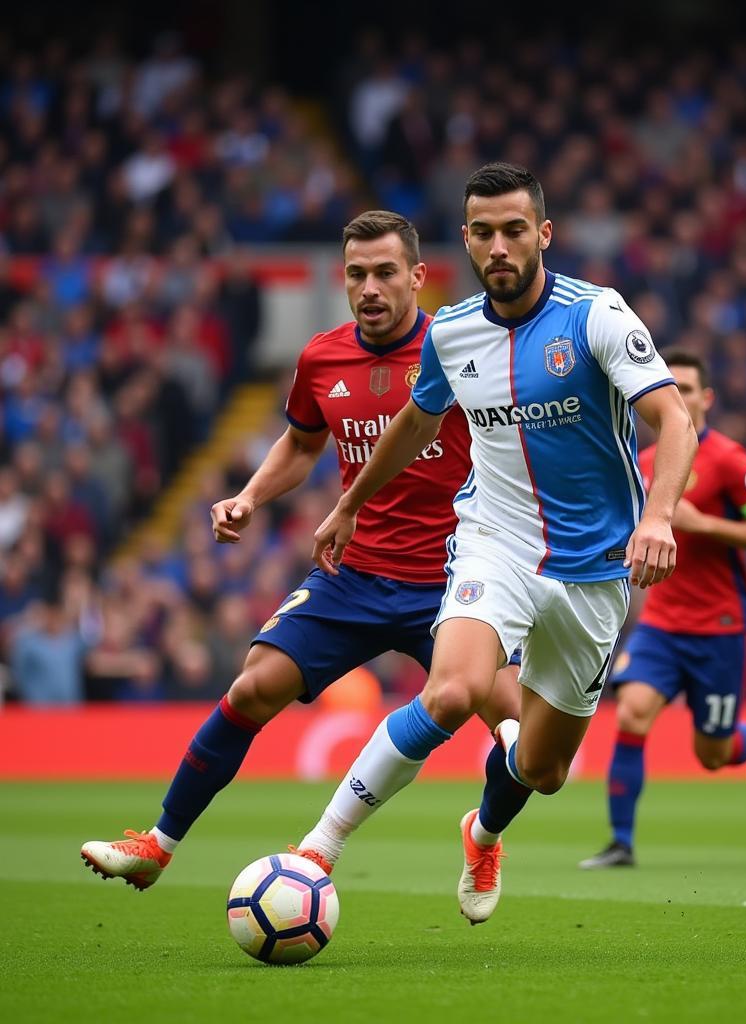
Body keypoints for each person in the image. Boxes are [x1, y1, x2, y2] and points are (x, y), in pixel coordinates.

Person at [294, 161, 697, 926]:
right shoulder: (451, 331)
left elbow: (674, 419)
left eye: (515, 229)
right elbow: (415, 424)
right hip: (494, 543)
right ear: (467, 241)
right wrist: (348, 503)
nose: (499, 245)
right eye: (482, 232)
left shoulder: (598, 315)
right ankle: (320, 847)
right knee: (450, 692)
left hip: (594, 569)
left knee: (543, 770)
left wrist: (659, 517)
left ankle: (482, 831)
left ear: (542, 233)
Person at [80, 210, 519, 889]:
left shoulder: (462, 348)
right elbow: (303, 442)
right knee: (252, 685)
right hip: (356, 573)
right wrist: (251, 497)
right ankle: (157, 846)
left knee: (524, 732)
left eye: (384, 273)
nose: (369, 288)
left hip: (456, 582)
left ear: (417, 277)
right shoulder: (322, 357)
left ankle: (483, 834)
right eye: (355, 274)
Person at [579, 350, 746, 869]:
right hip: (661, 625)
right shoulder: (643, 462)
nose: (680, 396)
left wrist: (706, 526)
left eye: (689, 388)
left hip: (720, 628)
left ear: (706, 398)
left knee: (712, 754)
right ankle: (620, 842)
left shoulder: (731, 461)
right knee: (631, 713)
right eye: (669, 386)